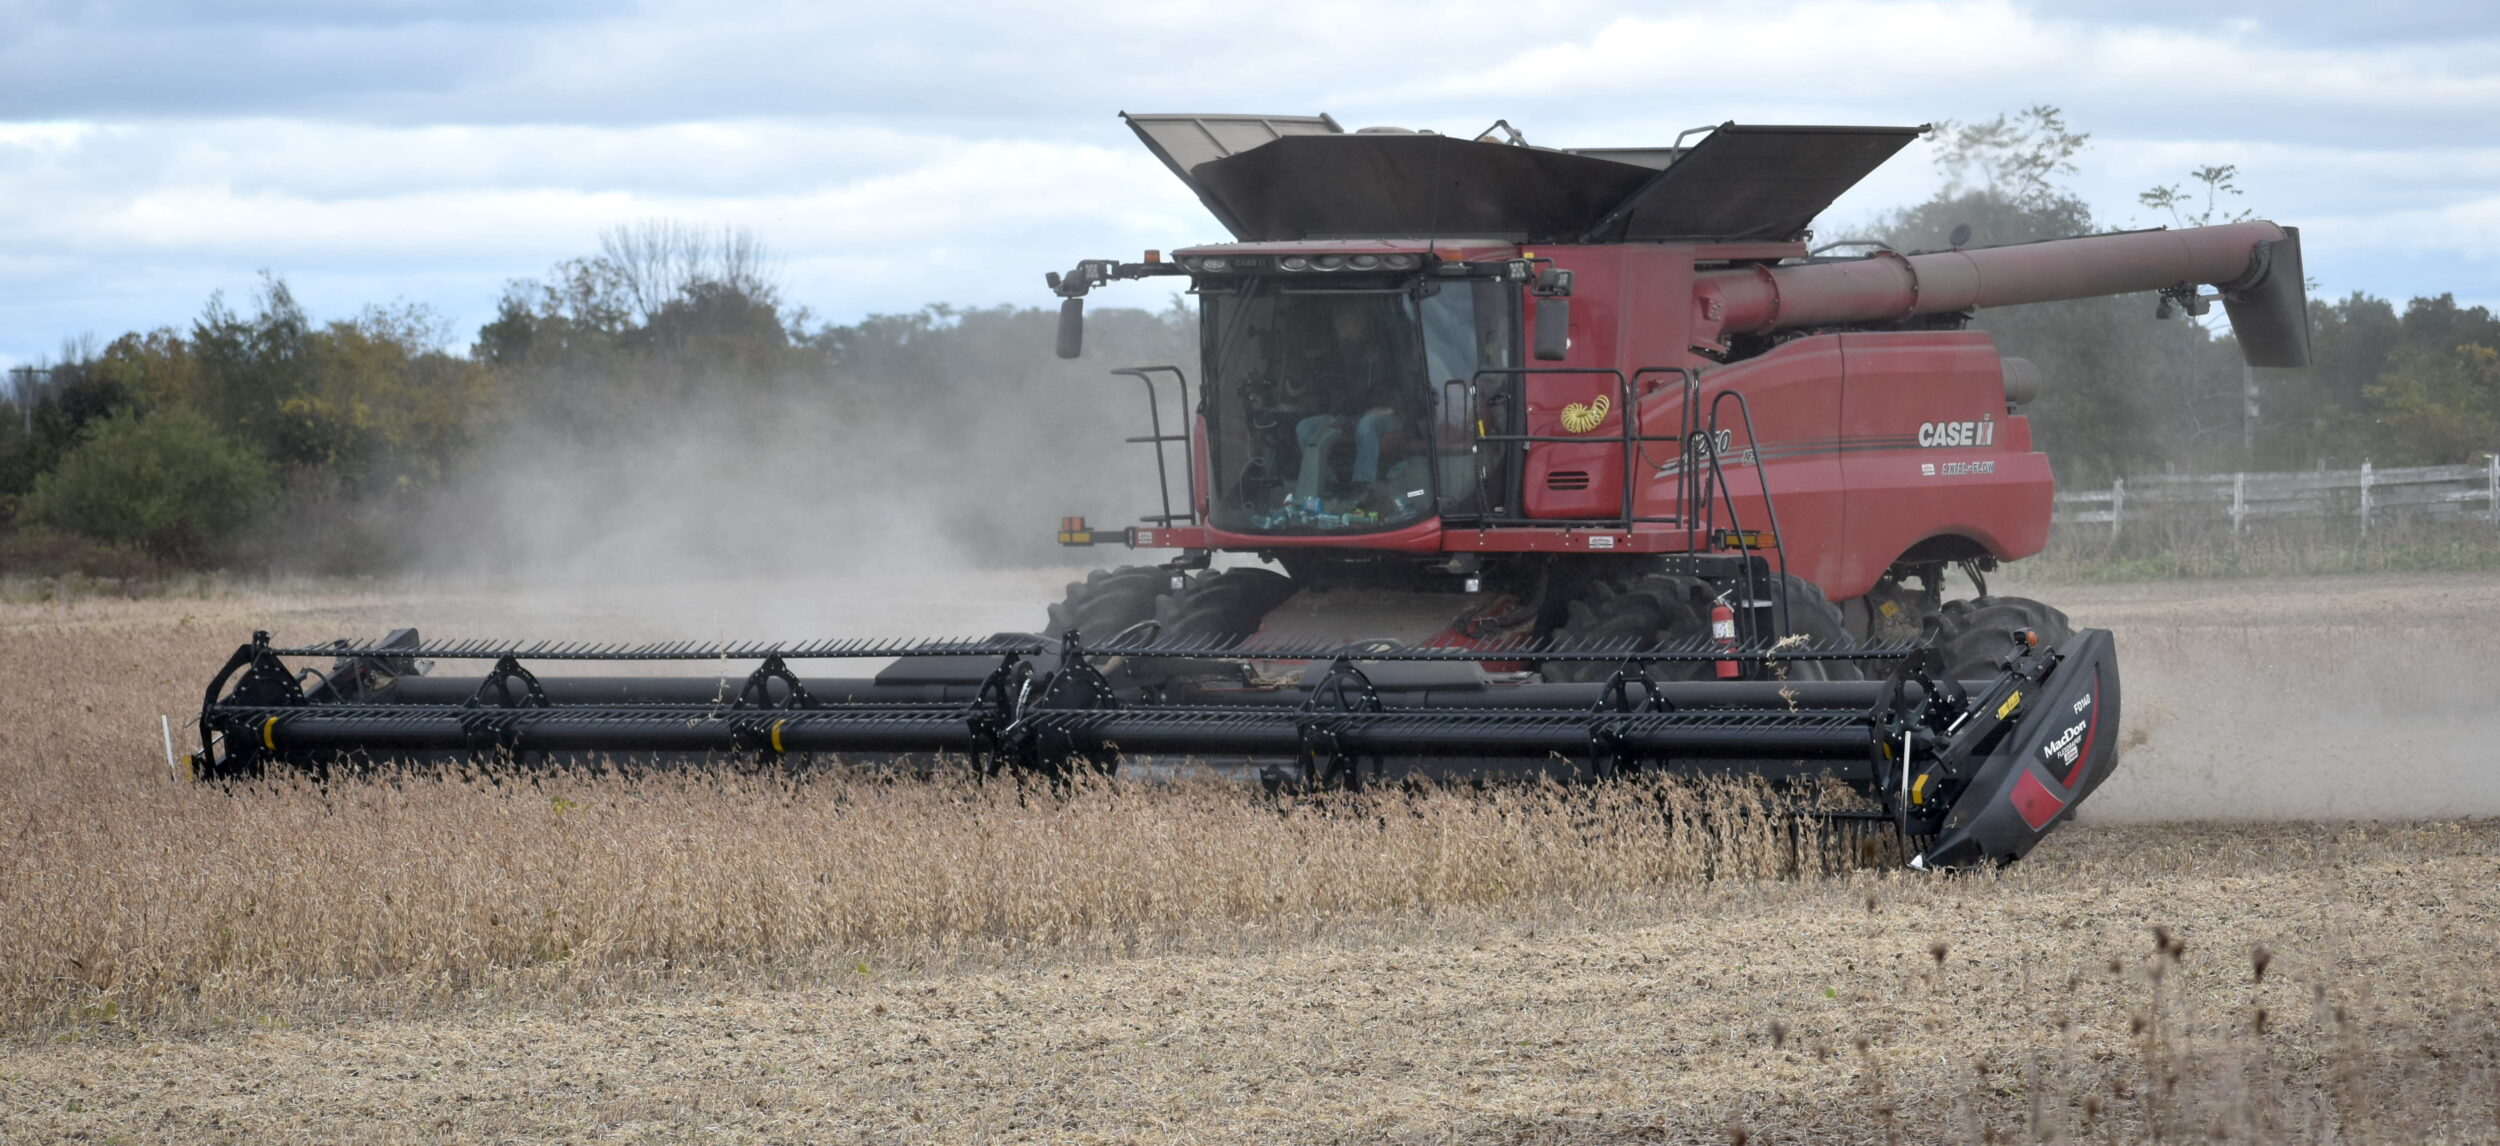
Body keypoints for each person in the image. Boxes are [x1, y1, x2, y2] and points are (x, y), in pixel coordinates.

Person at [1288, 305, 1405, 506]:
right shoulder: (1341, 356)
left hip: (1391, 415)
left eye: (1349, 323)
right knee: (1305, 427)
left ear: (1363, 324)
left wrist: (1392, 407)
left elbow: (1410, 384)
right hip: (1353, 415)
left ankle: (1362, 485)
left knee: (1367, 425)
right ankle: (1327, 483)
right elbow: (1340, 392)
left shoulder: (1390, 348)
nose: (1344, 329)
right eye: (1341, 324)